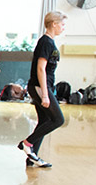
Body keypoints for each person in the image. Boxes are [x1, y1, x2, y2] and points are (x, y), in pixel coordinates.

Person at [18, 11, 67, 168]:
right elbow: (41, 69)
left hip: (42, 87)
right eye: (62, 24)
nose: (63, 27)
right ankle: (27, 143)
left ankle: (31, 157)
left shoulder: (49, 42)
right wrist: (45, 95)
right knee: (58, 119)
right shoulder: (45, 42)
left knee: (45, 121)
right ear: (54, 24)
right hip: (40, 87)